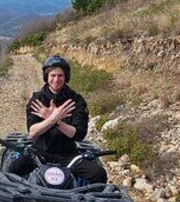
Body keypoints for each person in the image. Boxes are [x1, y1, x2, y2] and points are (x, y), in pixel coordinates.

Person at [6, 55, 108, 184]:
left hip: (67, 154)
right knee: (11, 171)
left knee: (98, 174)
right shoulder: (37, 100)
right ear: (46, 77)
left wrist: (57, 121)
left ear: (66, 77)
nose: (56, 79)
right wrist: (51, 119)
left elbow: (78, 134)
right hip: (40, 151)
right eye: (52, 75)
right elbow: (32, 132)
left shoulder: (76, 100)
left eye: (60, 75)